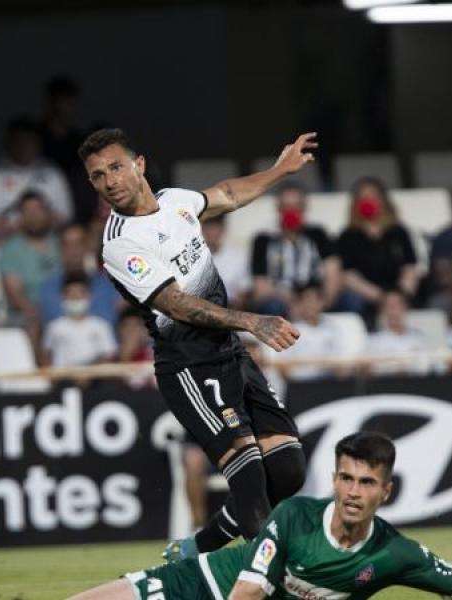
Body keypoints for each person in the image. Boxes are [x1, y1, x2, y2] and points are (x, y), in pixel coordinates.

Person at [81, 128, 310, 560]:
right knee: (250, 483)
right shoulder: (119, 244)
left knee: (288, 469)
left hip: (230, 355)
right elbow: (177, 304)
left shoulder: (173, 201)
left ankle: (197, 549)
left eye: (115, 167)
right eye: (97, 176)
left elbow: (225, 194)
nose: (110, 181)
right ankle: (271, 582)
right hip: (189, 367)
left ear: (139, 165)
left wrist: (281, 170)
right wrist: (252, 322)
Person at [68, 431, 452, 600]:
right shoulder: (293, 516)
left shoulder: (393, 553)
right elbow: (246, 595)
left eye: (366, 484)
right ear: (333, 480)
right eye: (346, 479)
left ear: (386, 492)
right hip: (197, 584)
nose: (353, 492)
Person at [0, 117, 72, 243]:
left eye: (28, 140)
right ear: (8, 142)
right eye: (18, 140)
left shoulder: (52, 172)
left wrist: (45, 220)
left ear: (37, 142)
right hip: (1, 244)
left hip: (44, 244)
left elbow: (66, 214)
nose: (23, 146)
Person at [249, 183, 340, 317]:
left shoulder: (318, 234)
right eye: (286, 207)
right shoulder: (264, 239)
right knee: (272, 307)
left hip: (316, 298)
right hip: (281, 301)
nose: (291, 211)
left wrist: (323, 302)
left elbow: (333, 273)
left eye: (297, 206)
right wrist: (293, 302)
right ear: (278, 209)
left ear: (304, 209)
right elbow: (260, 287)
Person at [336, 177, 418, 324]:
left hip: (397, 292)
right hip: (366, 295)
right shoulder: (348, 236)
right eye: (364, 198)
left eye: (373, 197)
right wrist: (379, 296)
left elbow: (410, 267)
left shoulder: (399, 232)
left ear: (383, 201)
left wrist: (401, 295)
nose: (369, 201)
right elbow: (348, 276)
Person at [0, 191, 62, 337]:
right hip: (26, 315)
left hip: (63, 311)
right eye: (28, 211)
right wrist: (40, 315)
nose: (33, 216)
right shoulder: (11, 249)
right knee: (34, 325)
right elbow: (15, 296)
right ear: (20, 217)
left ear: (47, 213)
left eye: (38, 210)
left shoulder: (60, 243)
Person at [38, 224, 122, 326]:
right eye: (68, 244)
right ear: (60, 249)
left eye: (79, 243)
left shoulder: (108, 286)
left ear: (87, 247)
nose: (73, 250)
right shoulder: (48, 289)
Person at [40, 75, 96, 225]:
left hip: (76, 210)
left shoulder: (80, 141)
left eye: (66, 101)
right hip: (43, 203)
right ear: (49, 102)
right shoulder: (36, 137)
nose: (61, 106)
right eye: (57, 101)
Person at [42, 272, 119, 369]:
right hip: (63, 378)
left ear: (89, 296)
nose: (76, 298)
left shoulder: (101, 326)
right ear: (62, 297)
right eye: (72, 295)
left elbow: (109, 355)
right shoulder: (54, 327)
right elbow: (46, 355)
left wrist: (87, 373)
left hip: (96, 378)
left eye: (80, 295)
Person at [278, 283, 340, 382]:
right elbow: (282, 366)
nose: (310, 305)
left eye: (314, 300)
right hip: (300, 384)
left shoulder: (332, 328)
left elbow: (340, 362)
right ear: (300, 304)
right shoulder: (291, 330)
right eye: (306, 301)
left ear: (322, 302)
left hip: (328, 381)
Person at [364, 290, 428, 375]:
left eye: (397, 306)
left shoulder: (418, 338)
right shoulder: (373, 341)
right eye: (389, 306)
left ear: (405, 308)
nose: (393, 311)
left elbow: (428, 367)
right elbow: (368, 370)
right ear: (382, 311)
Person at [203, 216, 251, 309]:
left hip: (230, 308)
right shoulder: (194, 258)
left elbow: (244, 290)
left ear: (223, 229)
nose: (212, 232)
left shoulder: (239, 256)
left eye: (216, 226)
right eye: (209, 227)